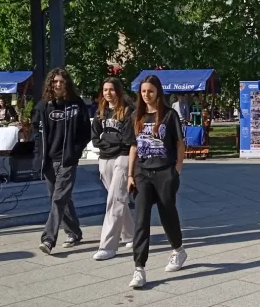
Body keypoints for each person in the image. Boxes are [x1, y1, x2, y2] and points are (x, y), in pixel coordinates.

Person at [127, 74, 187, 289]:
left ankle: (178, 250)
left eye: (150, 91)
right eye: (143, 91)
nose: (146, 95)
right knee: (141, 218)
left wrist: (176, 170)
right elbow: (133, 146)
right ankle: (139, 268)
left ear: (158, 92)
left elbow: (180, 144)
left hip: (164, 172)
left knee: (167, 213)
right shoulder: (137, 116)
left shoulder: (170, 115)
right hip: (143, 174)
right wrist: (130, 174)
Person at [33, 67, 92, 254]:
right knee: (58, 198)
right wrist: (38, 157)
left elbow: (86, 132)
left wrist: (75, 151)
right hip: (49, 161)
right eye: (55, 81)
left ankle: (48, 239)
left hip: (67, 160)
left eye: (62, 81)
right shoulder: (43, 106)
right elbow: (36, 134)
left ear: (67, 84)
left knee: (58, 199)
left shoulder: (76, 104)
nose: (58, 84)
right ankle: (74, 231)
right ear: (51, 84)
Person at [91, 77, 136, 261]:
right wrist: (106, 143)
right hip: (105, 158)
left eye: (111, 89)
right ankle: (131, 234)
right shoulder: (100, 112)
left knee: (115, 199)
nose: (108, 93)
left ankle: (108, 246)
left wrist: (108, 141)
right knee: (117, 199)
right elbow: (95, 137)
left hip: (123, 157)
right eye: (105, 89)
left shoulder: (128, 111)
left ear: (118, 91)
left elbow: (126, 139)